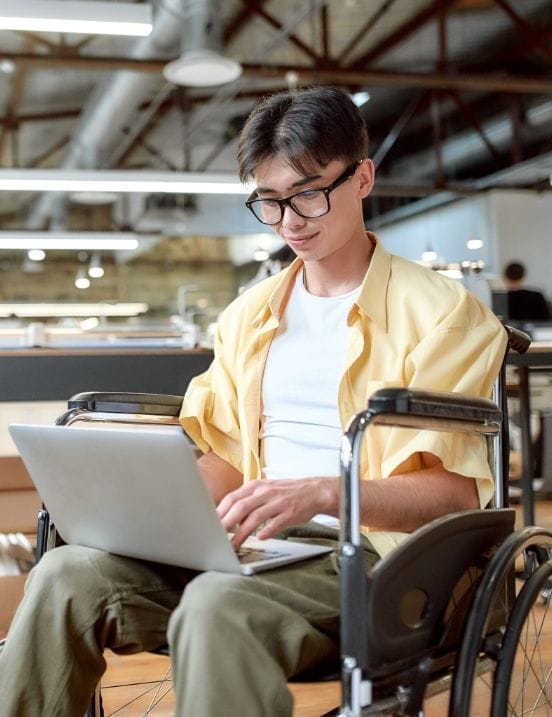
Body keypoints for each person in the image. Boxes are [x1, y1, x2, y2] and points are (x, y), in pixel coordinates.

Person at [0, 86, 507, 717]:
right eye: (268, 202)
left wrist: (323, 492)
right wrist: (146, 504)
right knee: (64, 576)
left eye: (308, 193)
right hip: (260, 545)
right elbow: (230, 464)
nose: (290, 220)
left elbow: (453, 497)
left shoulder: (442, 315)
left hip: (376, 561)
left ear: (363, 178)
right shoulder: (250, 316)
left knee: (217, 606)